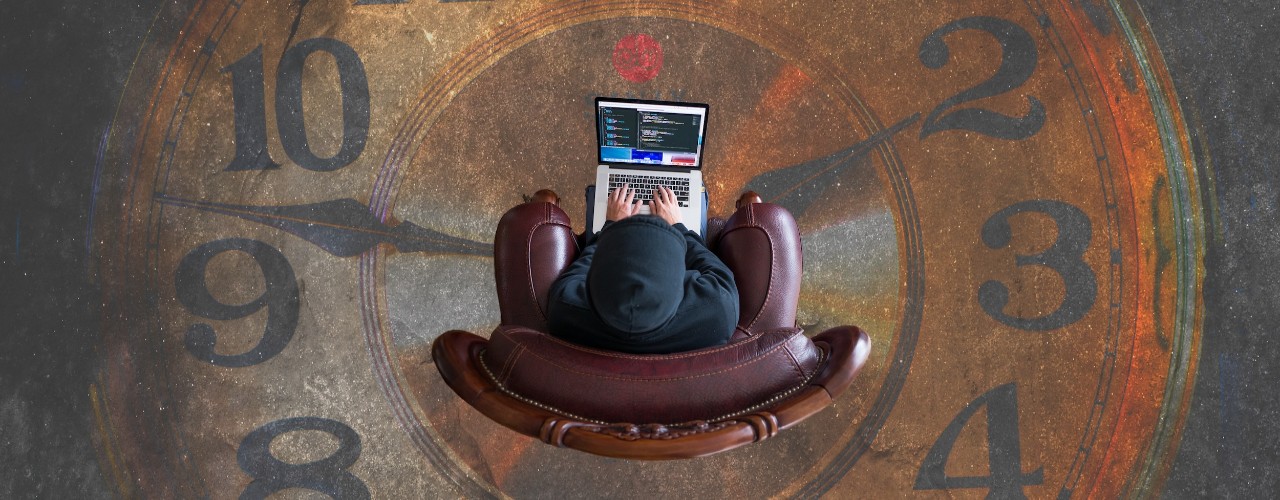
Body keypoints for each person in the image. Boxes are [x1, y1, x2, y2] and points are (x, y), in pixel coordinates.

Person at [544, 184, 739, 354]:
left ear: (593, 281)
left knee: (596, 194)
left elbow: (579, 268)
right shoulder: (719, 310)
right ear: (681, 280)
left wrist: (611, 225)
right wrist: (678, 226)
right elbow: (712, 265)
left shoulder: (564, 308)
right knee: (699, 193)